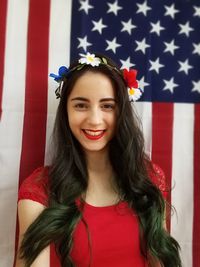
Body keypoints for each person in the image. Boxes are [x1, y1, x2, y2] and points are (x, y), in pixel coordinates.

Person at [15, 52, 182, 267]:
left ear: (122, 111)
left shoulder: (150, 179)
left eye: (107, 106)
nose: (94, 120)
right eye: (81, 105)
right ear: (65, 111)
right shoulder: (39, 191)